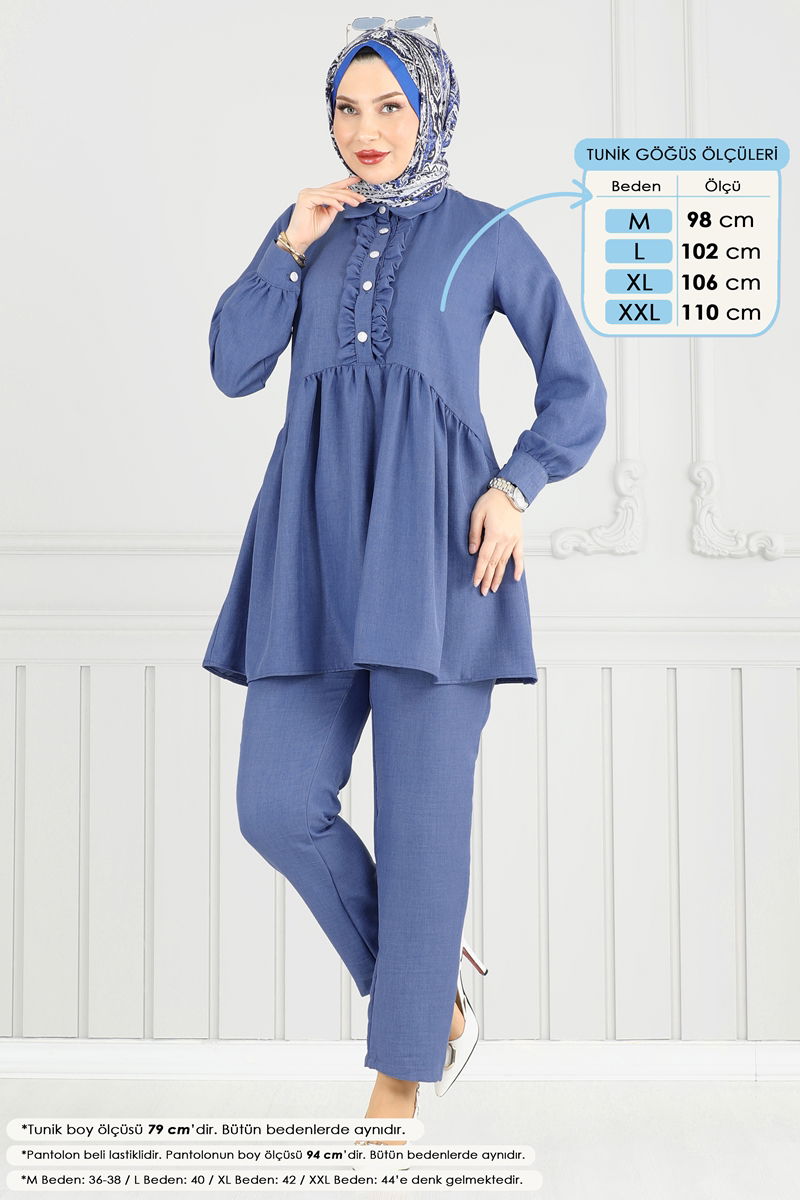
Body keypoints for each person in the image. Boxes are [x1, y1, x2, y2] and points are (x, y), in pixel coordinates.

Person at [202, 22, 607, 1135]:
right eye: (348, 108)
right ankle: (430, 991)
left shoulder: (486, 235)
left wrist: (516, 485)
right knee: (275, 805)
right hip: (311, 554)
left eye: (390, 107)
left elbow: (577, 387)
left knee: (422, 827)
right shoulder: (308, 230)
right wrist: (286, 249)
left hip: (441, 559)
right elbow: (233, 367)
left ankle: (399, 1078)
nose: (366, 130)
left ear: (430, 113)